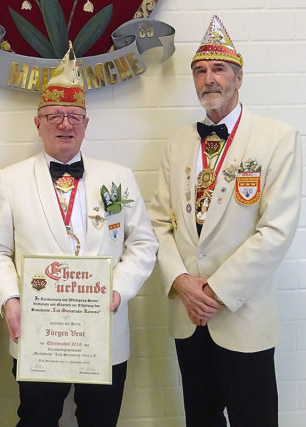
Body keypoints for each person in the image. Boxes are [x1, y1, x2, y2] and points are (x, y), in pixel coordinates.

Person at [0, 44, 158, 427]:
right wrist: (9, 299)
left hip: (104, 329)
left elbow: (144, 244)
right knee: (36, 419)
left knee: (100, 420)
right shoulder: (9, 180)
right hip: (37, 330)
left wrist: (118, 290)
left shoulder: (118, 177)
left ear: (86, 124)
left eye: (74, 116)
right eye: (55, 115)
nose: (65, 124)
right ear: (38, 122)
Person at [149, 15, 302, 427]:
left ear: (238, 77)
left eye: (218, 69)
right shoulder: (178, 142)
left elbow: (276, 230)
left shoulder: (278, 138)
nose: (208, 79)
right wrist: (181, 282)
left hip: (241, 314)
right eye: (199, 71)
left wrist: (213, 291)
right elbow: (158, 223)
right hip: (188, 317)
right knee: (200, 419)